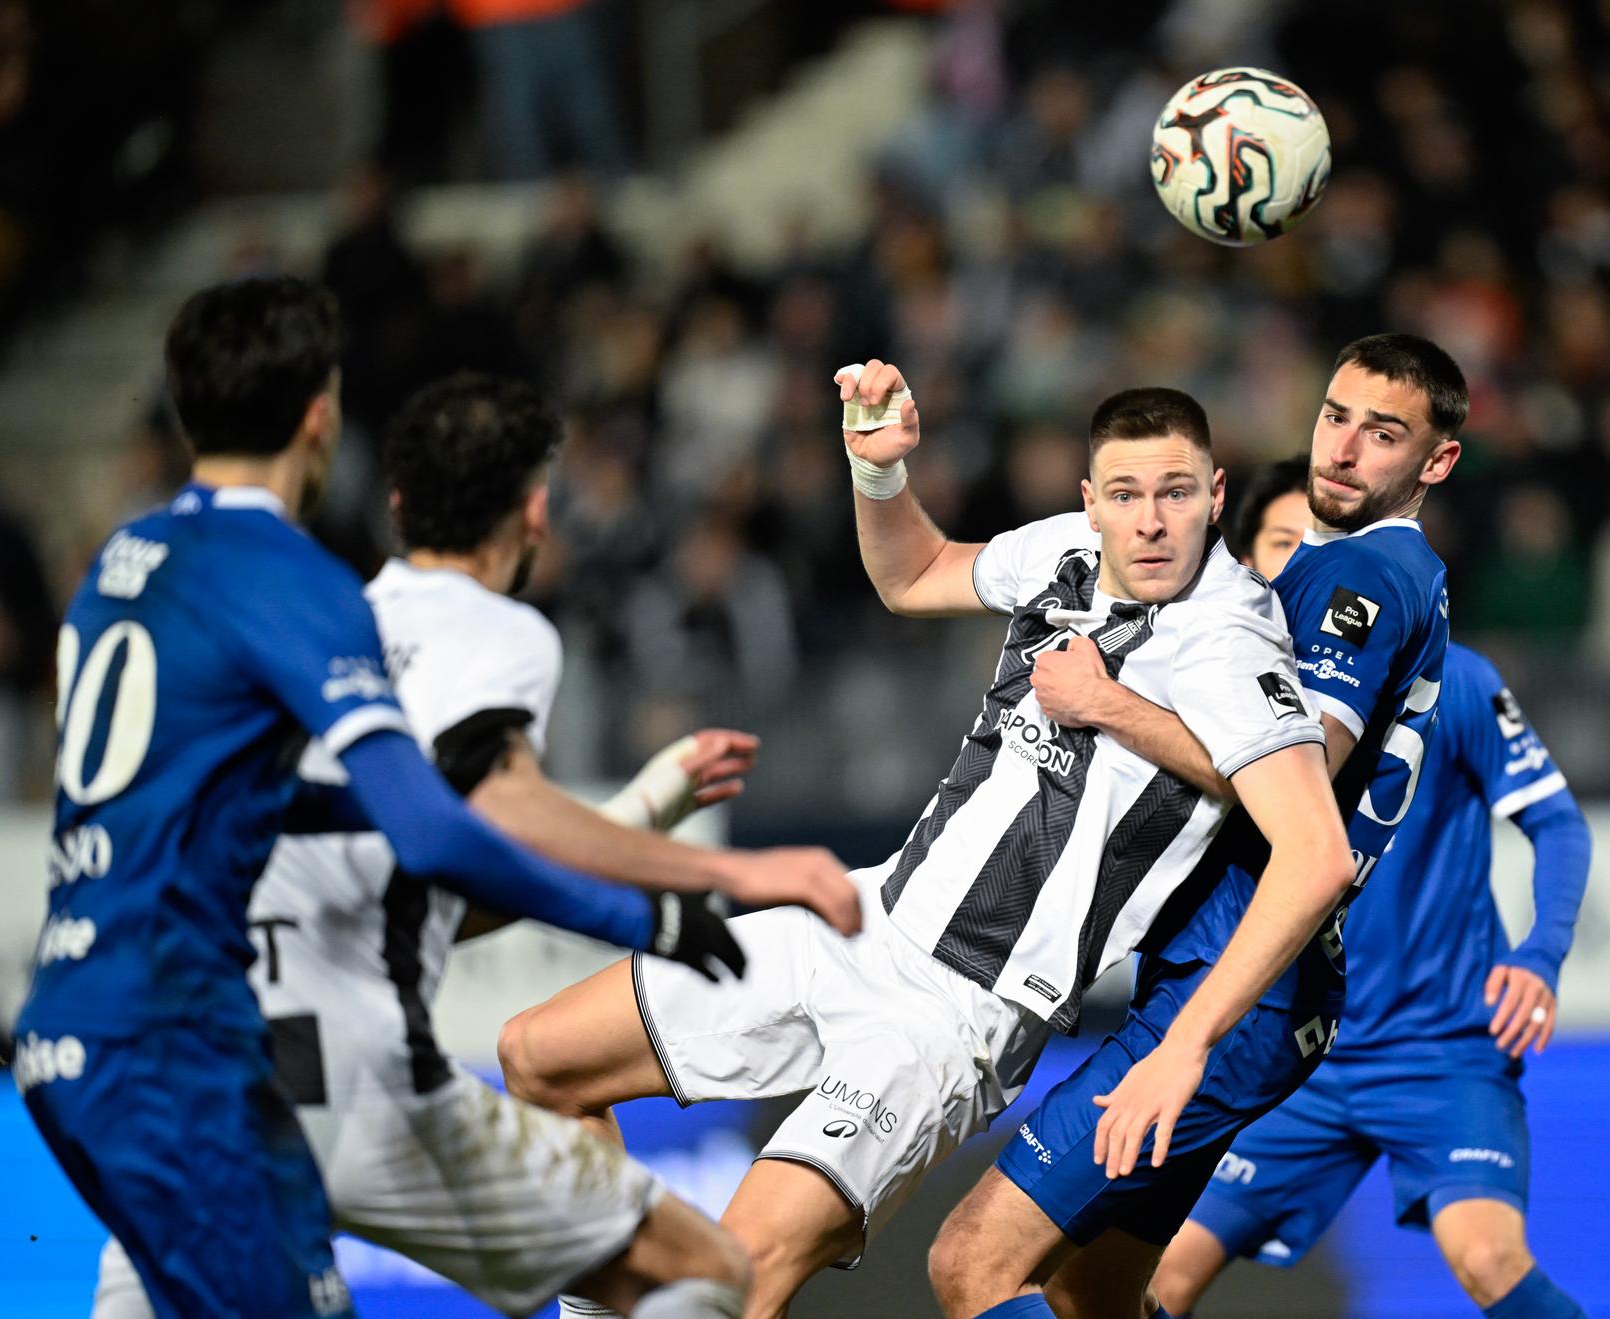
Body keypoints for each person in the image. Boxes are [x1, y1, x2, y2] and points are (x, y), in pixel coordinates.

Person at [498, 360, 1358, 1319]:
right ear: (1091, 499)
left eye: (1175, 492)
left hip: (956, 1015)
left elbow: (1316, 850)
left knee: (735, 1282)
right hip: (869, 915)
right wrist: (880, 476)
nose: (1151, 520)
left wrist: (1186, 1044)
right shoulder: (1064, 551)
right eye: (1126, 494)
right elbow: (913, 574)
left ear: (1215, 495)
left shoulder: (1232, 639)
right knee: (539, 1055)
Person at [12, 277, 759, 1319]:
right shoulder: (293, 580)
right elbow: (429, 830)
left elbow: (300, 809)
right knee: (700, 1270)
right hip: (199, 1050)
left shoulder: (118, 567)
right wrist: (642, 910)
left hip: (74, 1033)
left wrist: (619, 822)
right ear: (323, 412)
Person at [927, 333, 1465, 1319]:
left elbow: (1306, 779)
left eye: (1383, 433)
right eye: (1336, 416)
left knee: (971, 1262)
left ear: (1435, 461)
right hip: (1262, 995)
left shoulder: (1364, 581)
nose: (1343, 447)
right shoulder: (1363, 568)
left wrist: (1104, 702)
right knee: (1093, 1293)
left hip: (1229, 1000)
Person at [1151, 461, 1593, 1319]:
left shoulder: (1457, 679)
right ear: (1251, 565)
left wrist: (1541, 953)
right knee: (1158, 1275)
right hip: (1295, 1052)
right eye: (1285, 545)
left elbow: (1560, 824)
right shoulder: (1227, 703)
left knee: (1489, 1260)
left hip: (1442, 1048)